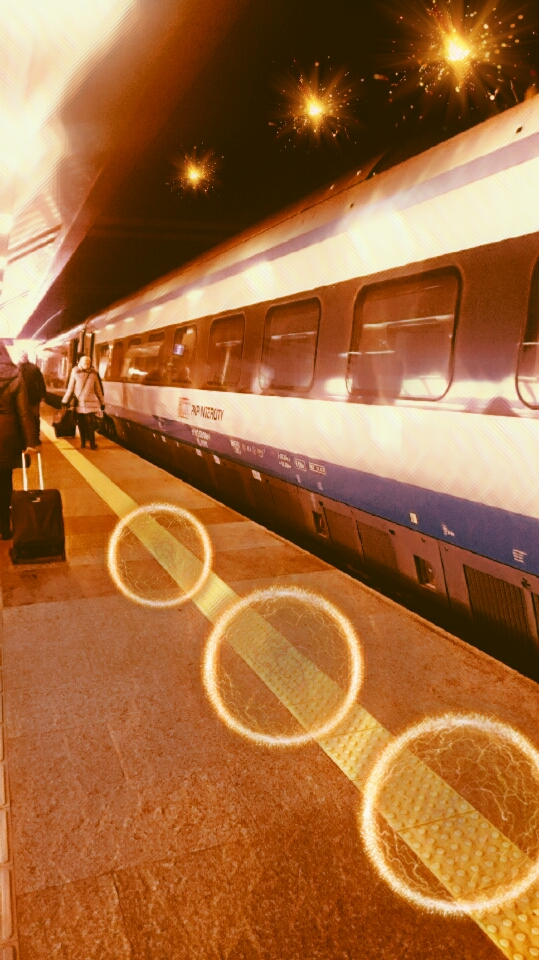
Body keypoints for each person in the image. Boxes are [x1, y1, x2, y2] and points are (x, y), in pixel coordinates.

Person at [0, 342, 37, 540]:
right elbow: (24, 413)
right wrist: (30, 442)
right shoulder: (15, 375)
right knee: (4, 481)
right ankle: (5, 527)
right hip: (6, 436)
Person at [61, 355, 105, 450]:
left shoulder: (86, 373)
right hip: (84, 404)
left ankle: (87, 443)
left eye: (88, 363)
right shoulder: (83, 373)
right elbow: (71, 388)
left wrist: (102, 402)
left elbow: (97, 390)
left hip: (85, 403)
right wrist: (102, 403)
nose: (86, 364)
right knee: (86, 424)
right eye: (85, 363)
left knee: (86, 424)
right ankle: (88, 443)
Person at [18, 351, 46, 445]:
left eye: (25, 356)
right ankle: (26, 438)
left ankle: (35, 437)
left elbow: (40, 382)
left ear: (27, 357)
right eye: (22, 356)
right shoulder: (16, 368)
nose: (24, 358)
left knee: (34, 418)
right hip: (21, 398)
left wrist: (42, 394)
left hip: (31, 398)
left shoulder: (33, 368)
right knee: (28, 418)